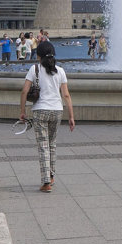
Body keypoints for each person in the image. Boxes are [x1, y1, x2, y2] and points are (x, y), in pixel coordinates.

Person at [19, 41, 75, 193]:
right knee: (52, 144)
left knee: (43, 146)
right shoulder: (61, 71)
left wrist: (22, 111)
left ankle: (46, 183)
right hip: (57, 111)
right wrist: (71, 116)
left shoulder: (34, 69)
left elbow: (24, 91)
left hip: (40, 110)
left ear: (38, 55)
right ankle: (51, 177)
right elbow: (66, 95)